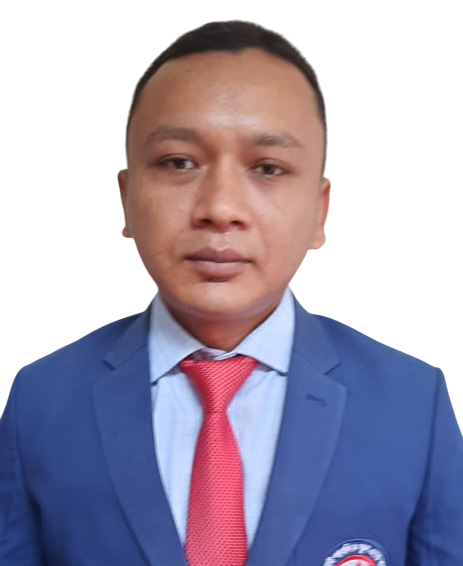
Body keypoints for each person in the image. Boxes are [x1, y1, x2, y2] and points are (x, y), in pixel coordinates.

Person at [0, 20, 462, 566]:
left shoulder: (412, 404)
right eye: (179, 162)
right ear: (126, 199)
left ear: (319, 211)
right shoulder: (42, 402)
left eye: (268, 168)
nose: (220, 208)